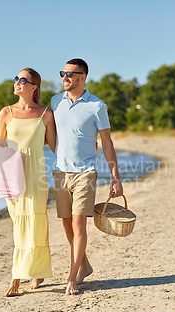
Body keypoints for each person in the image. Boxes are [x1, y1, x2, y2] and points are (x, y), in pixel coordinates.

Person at [51, 58, 124, 295]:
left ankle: (72, 277)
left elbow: (106, 142)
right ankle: (85, 265)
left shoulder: (97, 106)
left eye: (69, 74)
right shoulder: (55, 102)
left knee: (78, 223)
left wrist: (116, 177)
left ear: (82, 77)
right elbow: (50, 134)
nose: (64, 78)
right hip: (60, 172)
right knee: (66, 224)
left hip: (85, 173)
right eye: (63, 73)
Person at [0, 68, 57, 297]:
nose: (17, 82)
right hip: (12, 175)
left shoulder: (45, 114)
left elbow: (55, 147)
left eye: (23, 80)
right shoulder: (5, 113)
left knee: (36, 224)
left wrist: (89, 145)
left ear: (34, 87)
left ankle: (18, 278)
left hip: (36, 175)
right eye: (16, 78)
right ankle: (31, 271)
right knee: (19, 224)